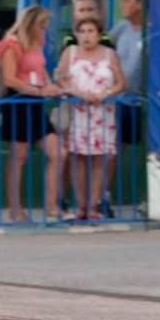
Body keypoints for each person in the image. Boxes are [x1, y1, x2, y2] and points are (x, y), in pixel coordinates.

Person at [0, 3, 60, 223]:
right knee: (18, 156)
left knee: (57, 151)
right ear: (31, 24)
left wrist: (50, 86)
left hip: (36, 102)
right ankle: (15, 208)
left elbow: (40, 69)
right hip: (18, 102)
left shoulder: (37, 43)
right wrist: (38, 91)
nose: (44, 29)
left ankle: (52, 206)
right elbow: (10, 78)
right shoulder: (11, 45)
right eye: (42, 25)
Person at [55, 15, 125, 220]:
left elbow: (121, 83)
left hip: (103, 113)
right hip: (78, 111)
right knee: (78, 158)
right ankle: (81, 205)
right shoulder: (70, 52)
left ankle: (93, 205)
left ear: (99, 34)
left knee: (98, 159)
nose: (86, 36)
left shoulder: (110, 54)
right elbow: (58, 78)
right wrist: (77, 93)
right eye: (82, 31)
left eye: (91, 31)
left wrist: (105, 94)